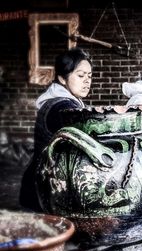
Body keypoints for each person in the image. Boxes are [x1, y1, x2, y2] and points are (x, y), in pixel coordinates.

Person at [20, 48, 92, 211]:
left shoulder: (61, 101)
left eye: (89, 76)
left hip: (38, 184)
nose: (87, 81)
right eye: (81, 76)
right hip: (47, 192)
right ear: (62, 78)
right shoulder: (64, 107)